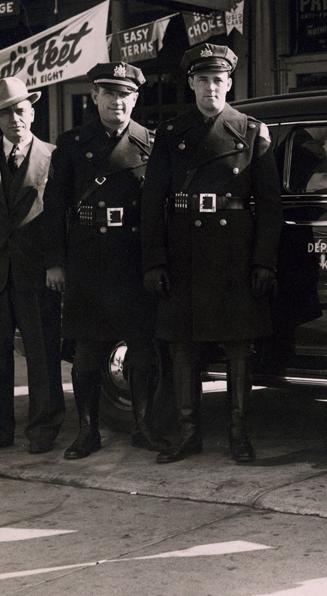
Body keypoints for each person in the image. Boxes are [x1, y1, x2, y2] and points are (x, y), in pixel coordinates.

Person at [140, 43, 281, 464]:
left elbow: (269, 204)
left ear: (229, 83)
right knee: (183, 347)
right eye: (202, 80)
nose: (210, 88)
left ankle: (239, 435)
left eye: (218, 80)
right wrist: (154, 260)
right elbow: (153, 203)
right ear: (191, 83)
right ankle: (188, 435)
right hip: (185, 250)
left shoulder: (252, 131)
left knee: (239, 345)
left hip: (234, 250)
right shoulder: (170, 134)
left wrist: (263, 260)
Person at [43, 62, 166, 459]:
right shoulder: (73, 144)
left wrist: (155, 263)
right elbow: (53, 208)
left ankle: (143, 426)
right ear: (95, 96)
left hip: (133, 263)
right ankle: (88, 431)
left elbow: (158, 210)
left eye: (125, 94)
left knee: (143, 351)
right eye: (109, 93)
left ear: (136, 98)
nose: (118, 101)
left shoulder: (149, 143)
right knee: (87, 354)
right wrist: (56, 263)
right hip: (88, 263)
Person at [0, 76, 65, 454]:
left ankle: (43, 429)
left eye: (20, 110)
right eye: (5, 114)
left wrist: (55, 263)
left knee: (42, 353)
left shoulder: (53, 156)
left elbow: (57, 218)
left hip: (36, 273)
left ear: (32, 112)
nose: (14, 119)